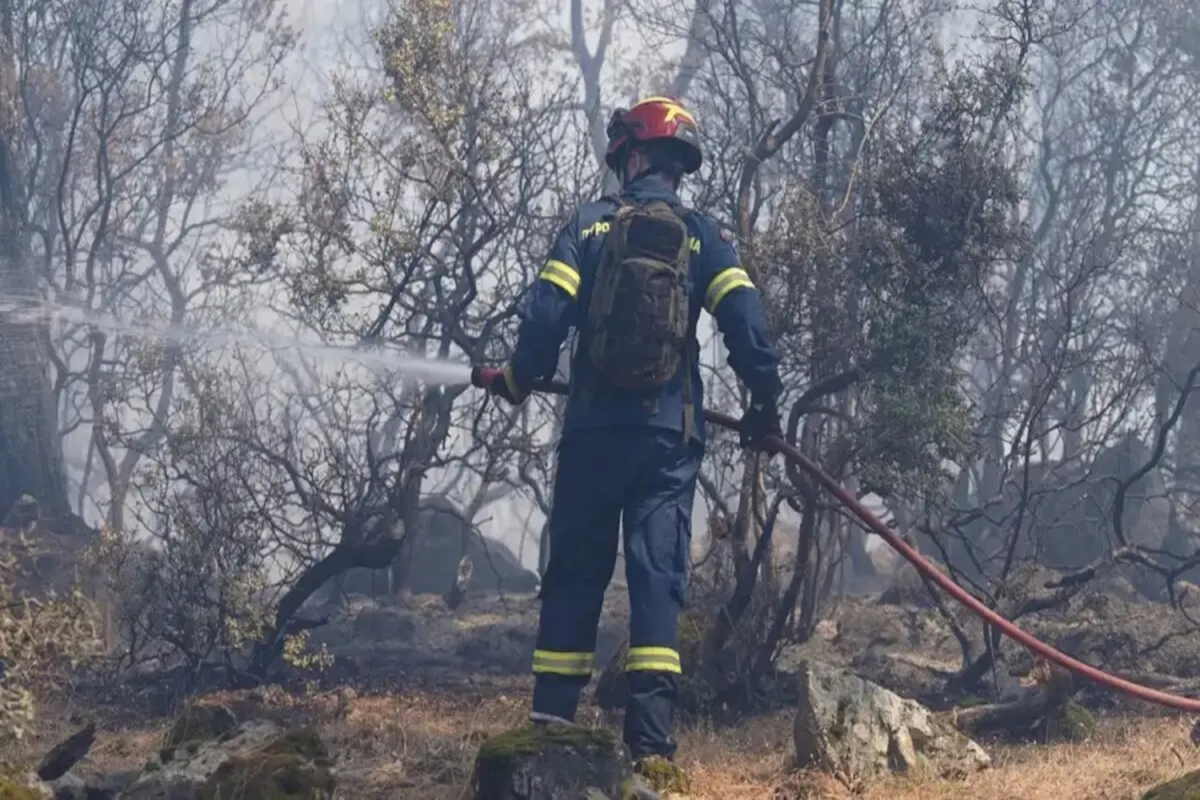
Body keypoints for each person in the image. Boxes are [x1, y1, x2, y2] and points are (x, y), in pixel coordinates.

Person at [481, 96, 783, 775]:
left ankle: (550, 729)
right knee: (656, 581)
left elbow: (544, 319)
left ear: (635, 156)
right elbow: (749, 330)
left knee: (575, 575)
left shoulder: (588, 228)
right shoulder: (704, 238)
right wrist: (764, 409)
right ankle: (651, 750)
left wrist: (515, 378)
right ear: (679, 164)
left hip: (592, 434)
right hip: (666, 444)